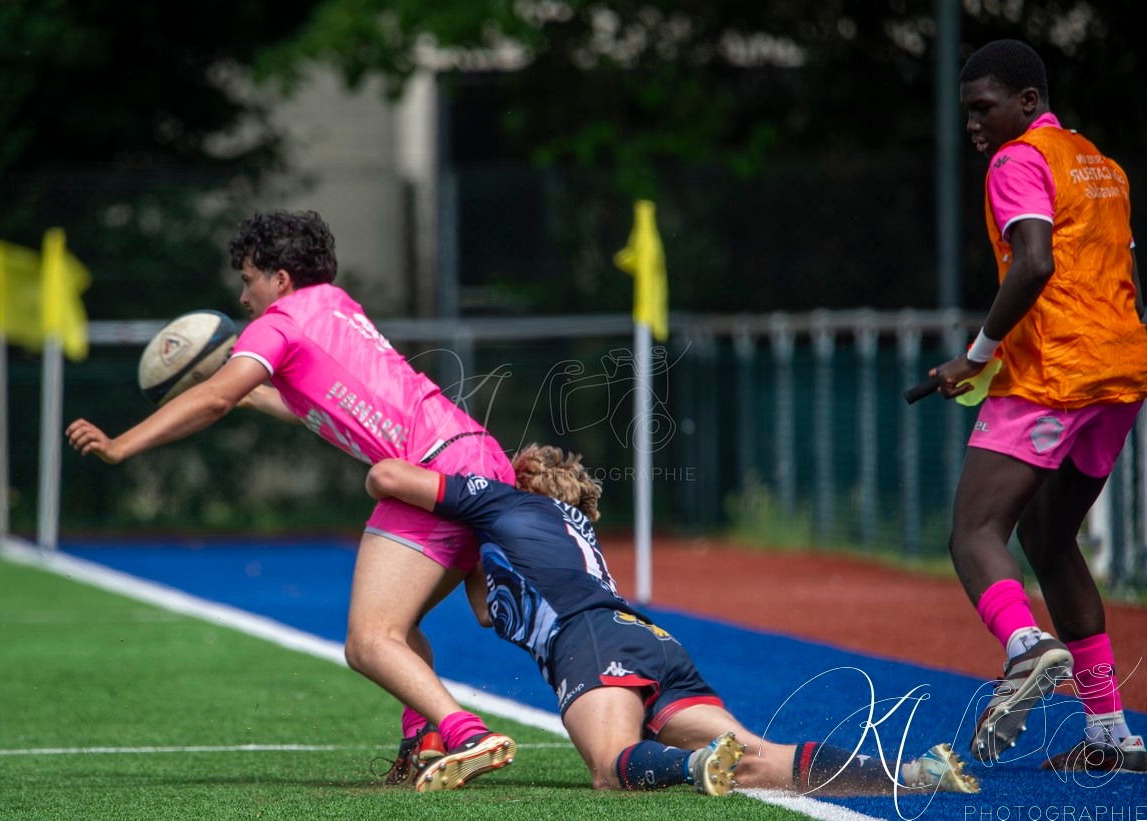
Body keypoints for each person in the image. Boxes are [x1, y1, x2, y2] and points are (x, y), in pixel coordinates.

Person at [66, 210, 516, 791]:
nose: (243, 294)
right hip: (479, 457)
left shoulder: (276, 323)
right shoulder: (334, 304)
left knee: (368, 641)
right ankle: (424, 739)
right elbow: (323, 401)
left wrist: (121, 445)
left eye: (249, 277)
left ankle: (467, 734)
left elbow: (214, 401)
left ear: (280, 278)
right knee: (413, 627)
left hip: (425, 475)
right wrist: (251, 393)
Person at [365, 445, 980, 796]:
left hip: (588, 640)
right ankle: (913, 772)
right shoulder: (567, 526)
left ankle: (691, 764)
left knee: (613, 768)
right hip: (650, 639)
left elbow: (389, 477)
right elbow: (487, 609)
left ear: (516, 479)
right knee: (758, 756)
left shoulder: (500, 499)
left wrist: (461, 495)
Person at [927, 39, 1147, 773]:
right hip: (1119, 376)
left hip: (1051, 373)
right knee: (1050, 541)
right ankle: (1110, 734)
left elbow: (1033, 260)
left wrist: (975, 357)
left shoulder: (1016, 160)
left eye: (983, 107)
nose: (974, 124)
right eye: (966, 113)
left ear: (1028, 102)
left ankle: (1025, 647)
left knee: (973, 531)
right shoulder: (1099, 165)